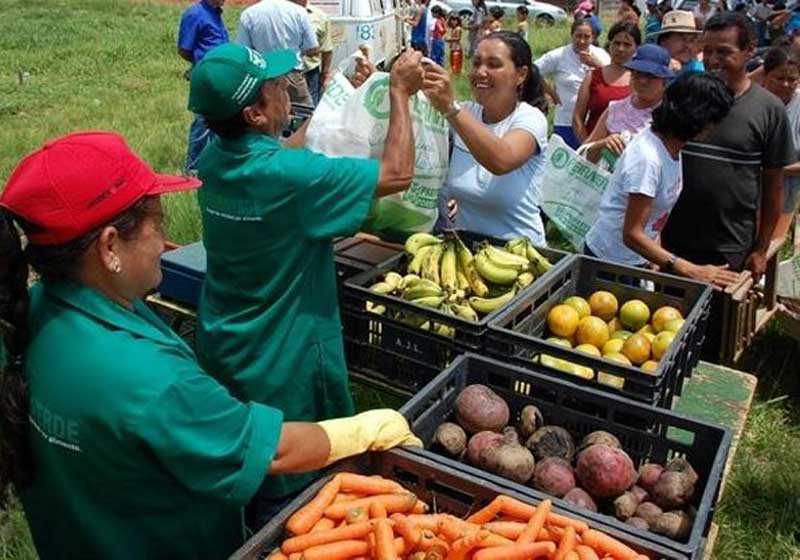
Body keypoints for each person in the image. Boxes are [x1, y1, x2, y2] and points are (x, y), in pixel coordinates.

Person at [0, 131, 420, 560]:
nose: (165, 243)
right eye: (157, 225)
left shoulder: (32, 312)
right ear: (110, 246)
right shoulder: (149, 381)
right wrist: (362, 430)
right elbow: (271, 450)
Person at [187, 44, 422, 526]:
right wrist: (398, 92)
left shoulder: (214, 158)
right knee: (293, 489)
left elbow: (278, 152)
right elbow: (398, 175)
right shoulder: (290, 178)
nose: (288, 90)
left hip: (227, 344)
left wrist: (338, 96)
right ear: (254, 112)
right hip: (286, 357)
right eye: (277, 86)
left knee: (243, 459)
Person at [663, 12, 795, 279]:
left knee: (719, 319)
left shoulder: (768, 110)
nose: (712, 61)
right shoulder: (685, 96)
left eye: (723, 52)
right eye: (707, 51)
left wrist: (760, 249)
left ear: (749, 51)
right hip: (672, 240)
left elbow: (773, 187)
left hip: (728, 248)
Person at [585, 74, 741, 288]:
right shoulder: (648, 158)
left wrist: (655, 253)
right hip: (609, 263)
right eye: (714, 120)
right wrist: (689, 269)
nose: (715, 128)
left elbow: (652, 217)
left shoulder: (672, 148)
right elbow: (631, 234)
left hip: (634, 260)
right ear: (697, 117)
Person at [423, 31, 550, 243]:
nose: (481, 72)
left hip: (517, 255)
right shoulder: (466, 113)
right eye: (477, 63)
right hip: (466, 250)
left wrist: (450, 107)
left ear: (521, 75)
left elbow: (501, 160)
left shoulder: (530, 119)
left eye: (494, 64)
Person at [582, 44, 672, 164]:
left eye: (650, 76)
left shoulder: (670, 115)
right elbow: (583, 154)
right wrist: (602, 145)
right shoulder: (615, 109)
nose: (643, 81)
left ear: (664, 80)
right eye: (638, 74)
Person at [535, 18, 611, 149]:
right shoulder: (559, 55)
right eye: (578, 36)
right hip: (566, 122)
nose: (582, 41)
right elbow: (533, 70)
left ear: (593, 37)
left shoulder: (601, 55)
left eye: (586, 37)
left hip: (595, 123)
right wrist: (550, 92)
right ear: (571, 36)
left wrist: (596, 64)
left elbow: (614, 79)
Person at [177, 0, 229, 174]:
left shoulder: (216, 13)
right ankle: (193, 169)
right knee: (203, 122)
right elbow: (184, 49)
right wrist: (200, 64)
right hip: (206, 76)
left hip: (221, 76)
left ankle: (214, 164)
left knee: (220, 121)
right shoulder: (195, 14)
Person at [236, 0, 319, 105]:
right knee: (303, 114)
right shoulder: (299, 12)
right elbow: (313, 48)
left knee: (269, 114)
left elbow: (244, 51)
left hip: (265, 74)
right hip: (293, 73)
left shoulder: (248, 14)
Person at [573, 21, 640, 143]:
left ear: (636, 48)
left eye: (627, 44)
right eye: (617, 43)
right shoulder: (592, 76)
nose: (620, 49)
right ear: (609, 45)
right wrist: (587, 148)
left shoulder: (641, 81)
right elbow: (578, 118)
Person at [761, 47, 800, 241]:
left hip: (785, 195)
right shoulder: (753, 102)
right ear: (766, 75)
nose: (786, 84)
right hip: (745, 194)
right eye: (779, 78)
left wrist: (772, 170)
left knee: (772, 246)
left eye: (792, 79)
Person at [292, 0, 333, 105]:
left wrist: (325, 74)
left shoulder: (321, 17)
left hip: (310, 73)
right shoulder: (279, 15)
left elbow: (327, 49)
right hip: (287, 73)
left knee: (310, 110)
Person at [650, 10, 705, 75]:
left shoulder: (700, 72)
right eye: (682, 39)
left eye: (691, 40)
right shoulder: (650, 69)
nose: (687, 46)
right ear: (663, 41)